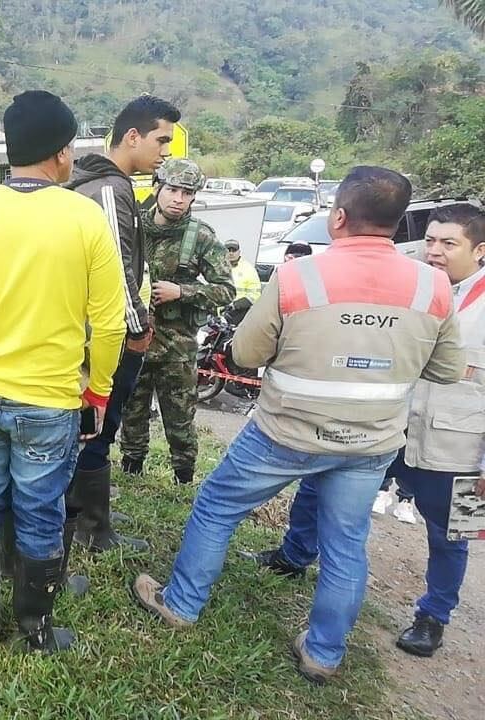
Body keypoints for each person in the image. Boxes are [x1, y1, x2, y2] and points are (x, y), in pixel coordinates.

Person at [132, 167, 464, 685]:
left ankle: (181, 603)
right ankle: (324, 653)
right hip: (371, 442)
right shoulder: (434, 285)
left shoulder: (298, 276)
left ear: (337, 216)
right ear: (401, 225)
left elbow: (244, 352)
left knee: (217, 509)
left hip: (285, 434)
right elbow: (444, 370)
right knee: (345, 545)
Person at [0, 91, 126, 653]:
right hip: (49, 401)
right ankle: (34, 629)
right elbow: (109, 324)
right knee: (39, 510)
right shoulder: (84, 218)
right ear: (62, 153)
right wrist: (99, 389)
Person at [247, 203, 483, 661]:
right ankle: (294, 554)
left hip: (458, 444)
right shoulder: (412, 284)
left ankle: (434, 615)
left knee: (453, 534)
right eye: (430, 240)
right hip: (386, 425)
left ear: (479, 251)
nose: (434, 251)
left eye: (448, 243)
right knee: (319, 484)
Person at [62, 95, 179, 551]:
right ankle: (90, 528)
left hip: (91, 334)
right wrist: (137, 329)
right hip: (106, 338)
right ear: (132, 136)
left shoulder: (95, 183)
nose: (165, 151)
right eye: (160, 139)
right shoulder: (109, 190)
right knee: (98, 425)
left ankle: (93, 515)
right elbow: (116, 271)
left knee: (95, 427)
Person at [119, 159, 235, 485]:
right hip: (135, 341)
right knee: (132, 413)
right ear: (158, 187)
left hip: (178, 347)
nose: (178, 199)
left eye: (187, 193)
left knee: (180, 419)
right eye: (172, 189)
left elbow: (225, 290)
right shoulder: (133, 228)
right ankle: (131, 472)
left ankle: (183, 479)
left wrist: (181, 291)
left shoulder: (200, 238)